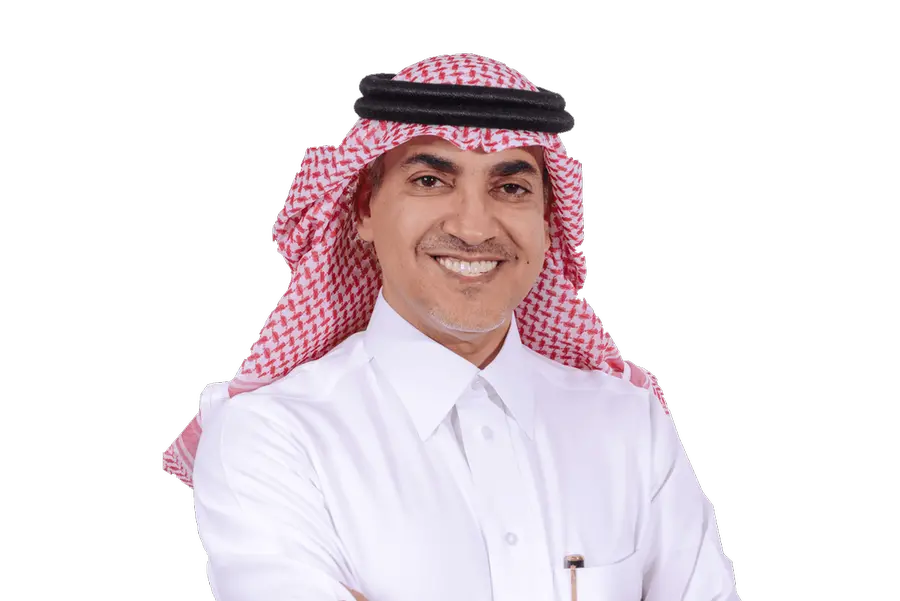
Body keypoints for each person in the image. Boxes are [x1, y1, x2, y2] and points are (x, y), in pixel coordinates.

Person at [162, 53, 741, 600]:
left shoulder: (629, 425)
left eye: (510, 188)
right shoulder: (272, 436)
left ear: (547, 219)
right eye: (430, 181)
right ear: (364, 209)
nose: (473, 227)